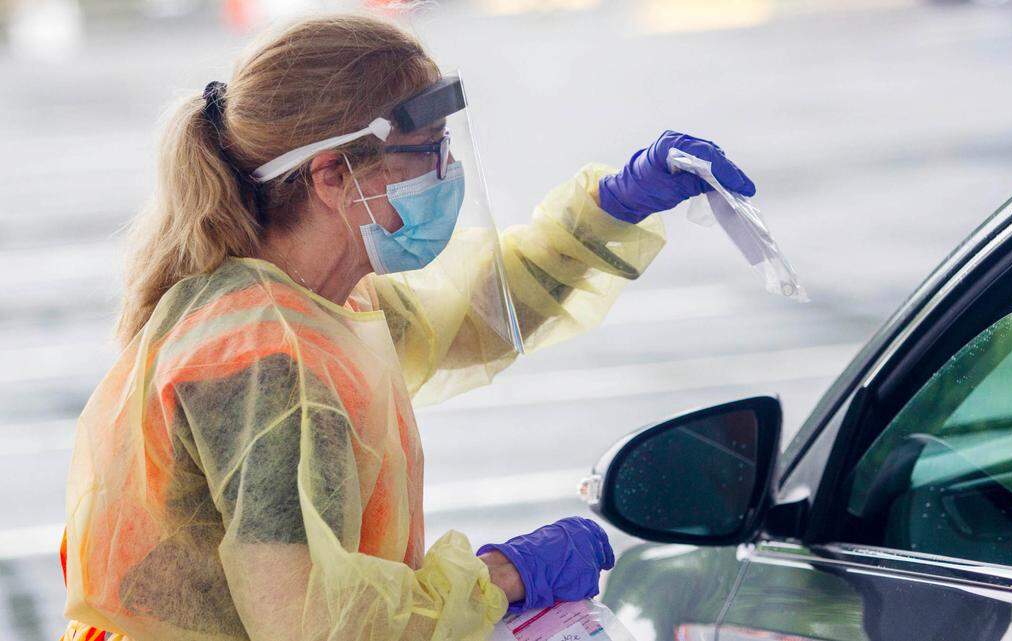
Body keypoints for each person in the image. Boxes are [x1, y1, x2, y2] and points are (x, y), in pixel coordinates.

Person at [60, 13, 756, 641]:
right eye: (428, 151)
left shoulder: (324, 302)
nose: (447, 171)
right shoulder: (264, 361)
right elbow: (313, 623)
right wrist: (502, 576)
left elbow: (478, 314)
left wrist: (611, 207)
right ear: (332, 176)